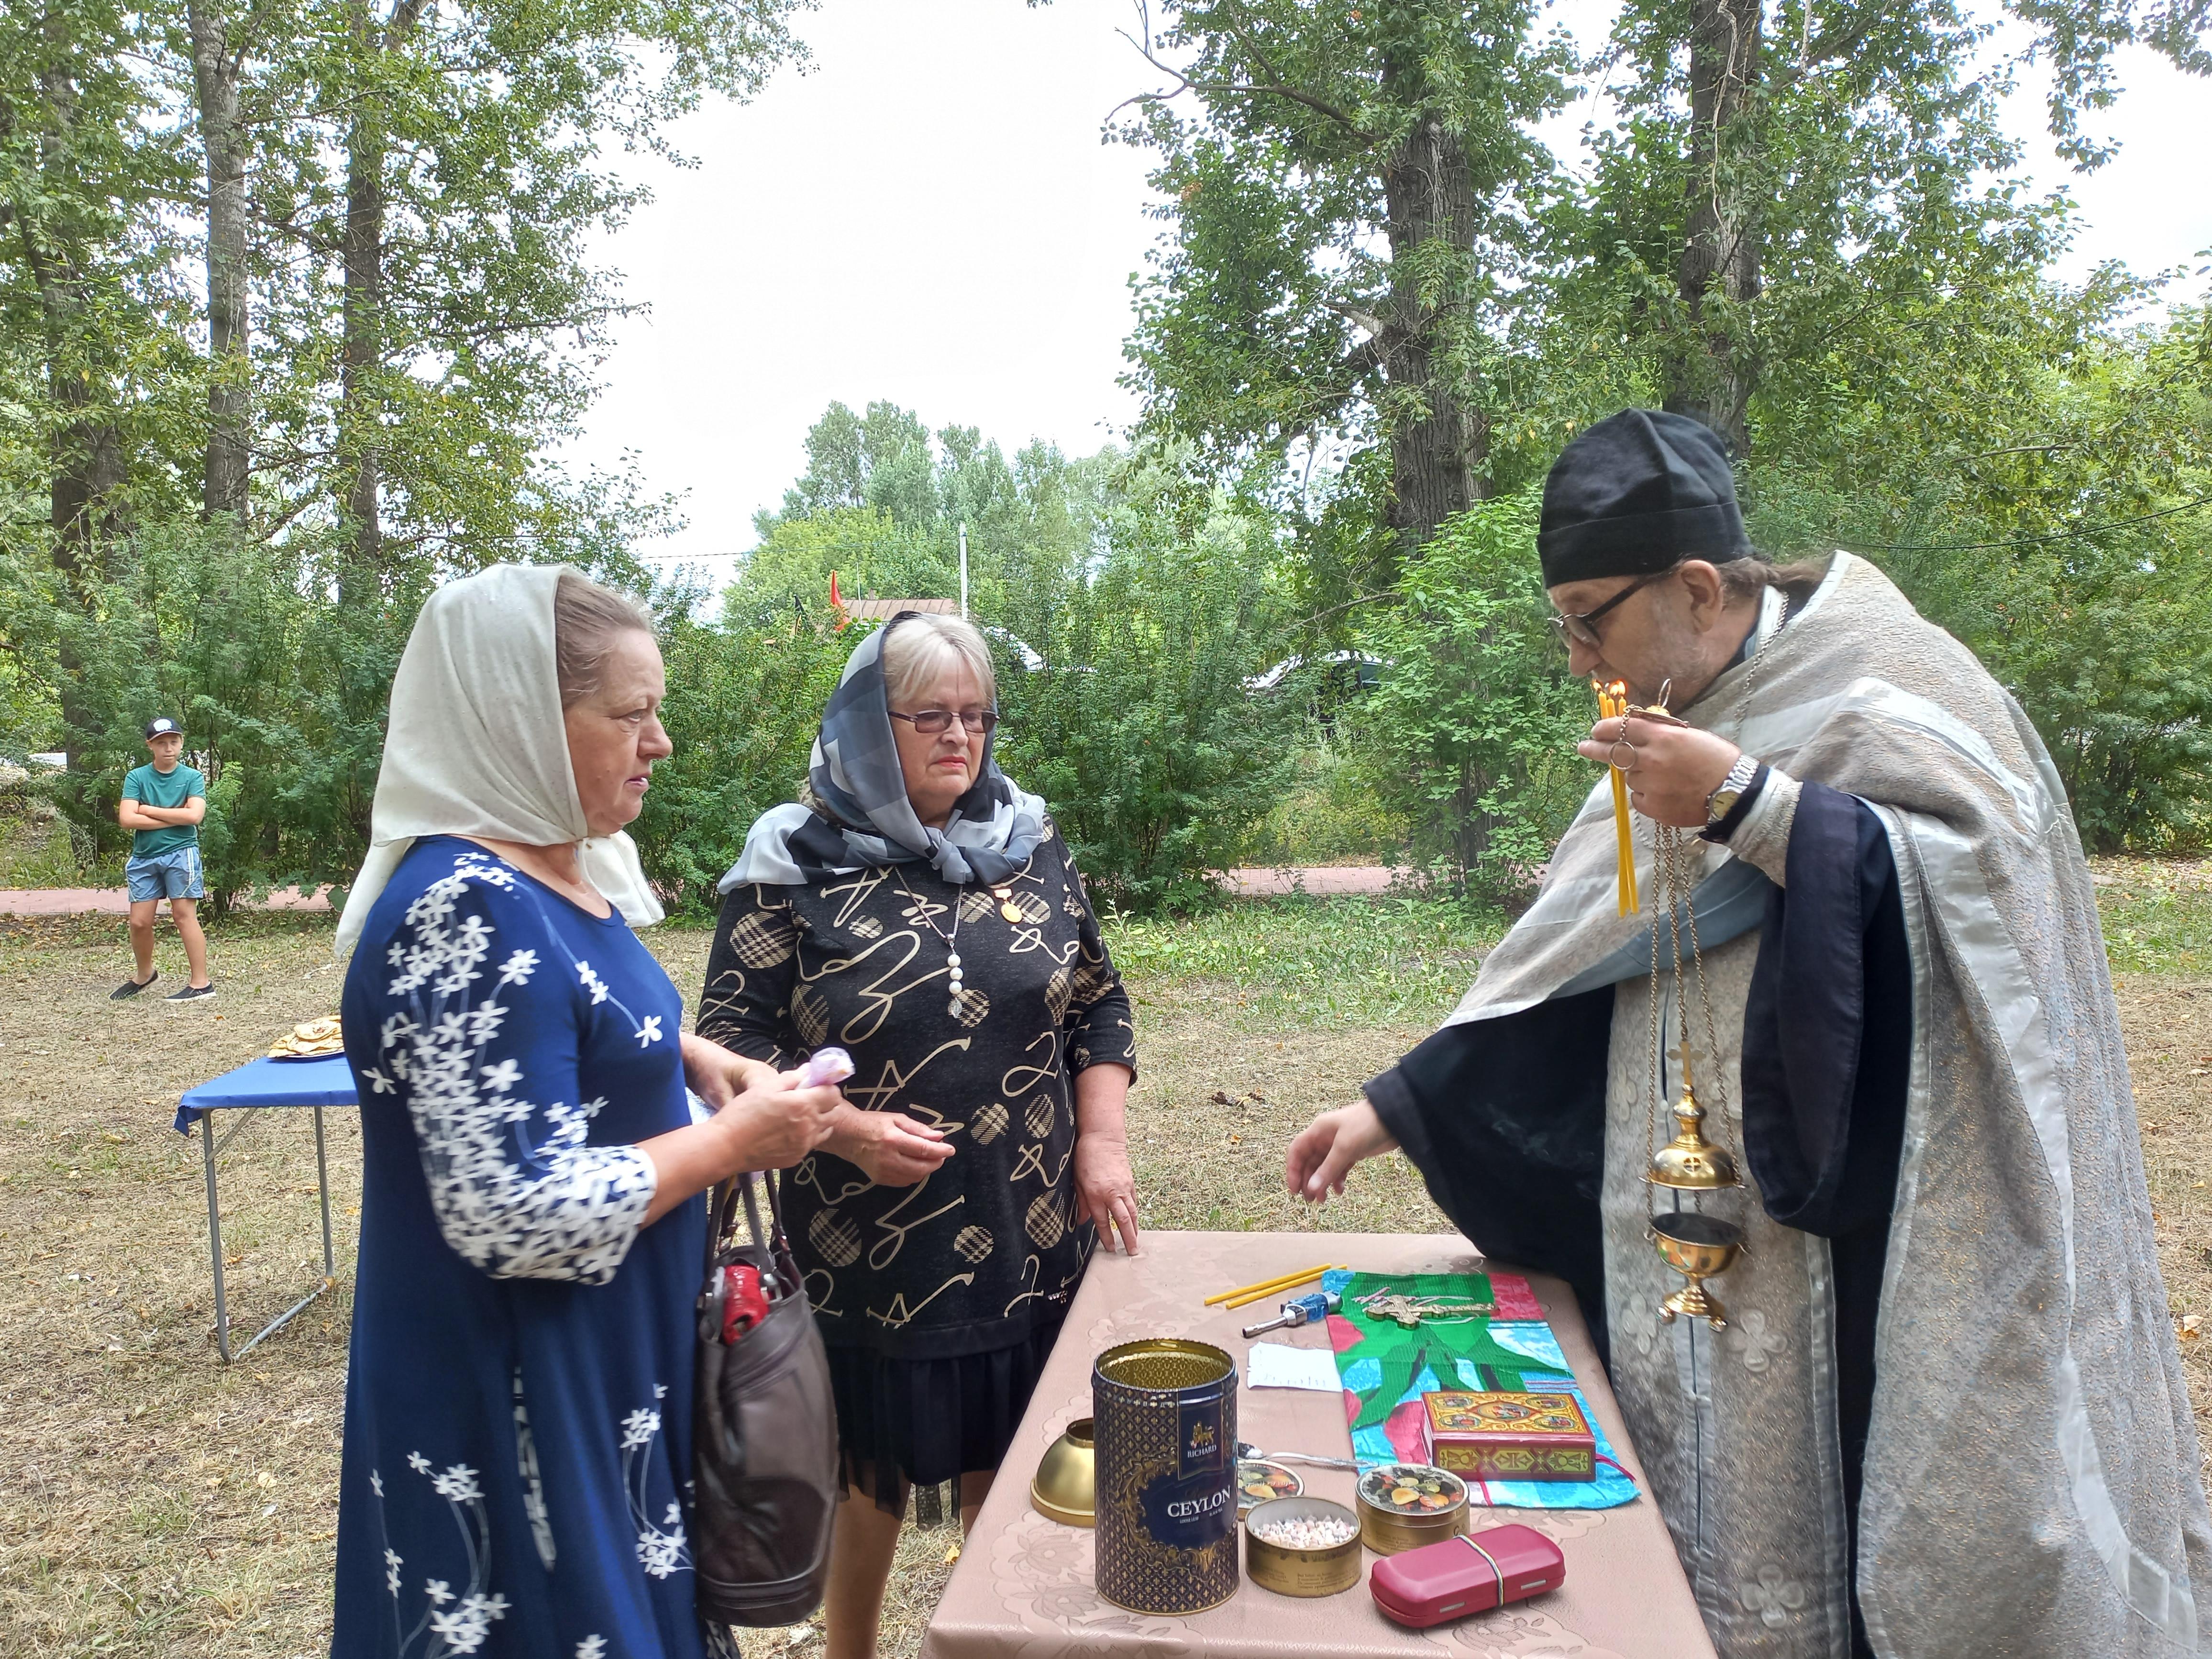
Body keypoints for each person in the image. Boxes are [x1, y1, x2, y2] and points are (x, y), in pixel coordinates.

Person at [1285, 410, 2212, 1659]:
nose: (1575, 658)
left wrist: (1750, 804)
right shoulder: (1670, 698)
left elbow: (1995, 915)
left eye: (1589, 618)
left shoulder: (1895, 684)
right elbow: (1579, 941)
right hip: (1695, 1217)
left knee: (1869, 1507)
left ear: (1700, 586)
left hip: (1878, 1221)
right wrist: (1395, 1105)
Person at [329, 565, 844, 1659]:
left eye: (655, 710)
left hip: (604, 1371)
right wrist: (732, 1143)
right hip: (523, 1394)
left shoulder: (552, 870)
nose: (657, 742)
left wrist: (695, 1058)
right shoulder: (465, 909)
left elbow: (569, 1017)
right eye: (629, 714)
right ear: (519, 718)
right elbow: (516, 1211)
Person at [698, 610, 1139, 1659]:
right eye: (930, 716)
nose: (960, 738)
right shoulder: (791, 864)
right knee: (872, 1475)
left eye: (977, 716)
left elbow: (1097, 1002)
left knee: (1014, 1453)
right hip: (866, 1236)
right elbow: (725, 1045)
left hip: (1029, 1214)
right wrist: (842, 1131)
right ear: (864, 727)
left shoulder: (1028, 845)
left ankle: (994, 1640)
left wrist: (1101, 1137)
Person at [112, 716, 215, 1001]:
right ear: (150, 746)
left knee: (184, 916)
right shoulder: (137, 777)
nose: (168, 748)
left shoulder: (192, 777)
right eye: (161, 743)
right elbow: (126, 819)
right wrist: (175, 817)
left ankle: (201, 984)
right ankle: (146, 975)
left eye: (174, 741)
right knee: (140, 923)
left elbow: (195, 816)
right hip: (144, 858)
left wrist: (147, 809)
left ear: (181, 743)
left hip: (182, 855)